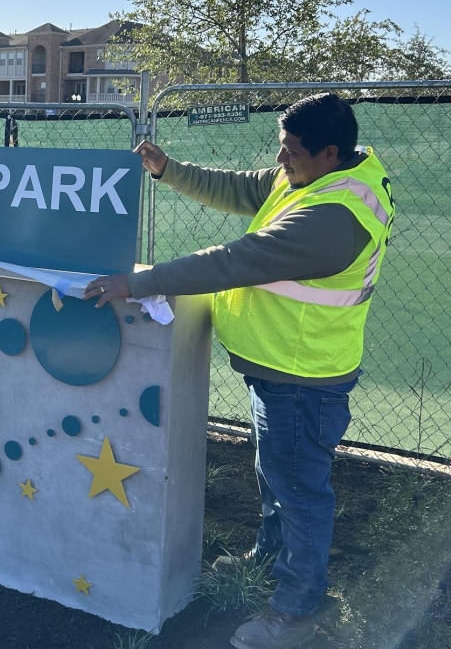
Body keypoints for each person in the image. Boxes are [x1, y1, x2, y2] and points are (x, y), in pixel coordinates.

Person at [84, 93, 394, 649]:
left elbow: (234, 261)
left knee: (299, 493)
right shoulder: (315, 177)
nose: (280, 161)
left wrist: (137, 282)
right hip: (277, 367)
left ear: (329, 152)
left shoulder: (333, 219)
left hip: (302, 374)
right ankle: (269, 556)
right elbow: (246, 188)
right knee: (275, 475)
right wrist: (168, 170)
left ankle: (294, 612)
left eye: (291, 152)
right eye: (280, 147)